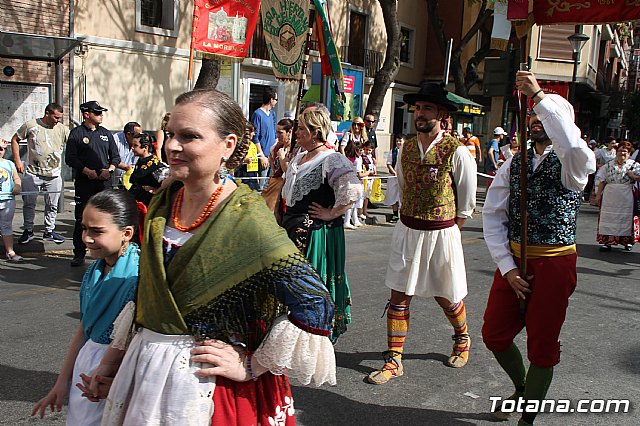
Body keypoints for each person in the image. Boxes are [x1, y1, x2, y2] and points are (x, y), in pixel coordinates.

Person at [84, 90, 336, 425]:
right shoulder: (163, 204)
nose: (172, 146)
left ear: (228, 145)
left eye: (189, 137)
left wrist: (251, 365)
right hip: (143, 369)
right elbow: (148, 295)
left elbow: (315, 303)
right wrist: (112, 365)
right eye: (171, 134)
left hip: (203, 385)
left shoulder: (248, 219)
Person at [482, 71, 596, 426]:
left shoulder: (573, 165)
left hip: (555, 264)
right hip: (516, 262)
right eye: (531, 115)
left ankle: (527, 418)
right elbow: (493, 214)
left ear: (560, 121)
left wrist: (541, 97)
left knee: (542, 346)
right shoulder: (513, 163)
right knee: (494, 334)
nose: (534, 120)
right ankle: (522, 387)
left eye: (543, 116)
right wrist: (508, 267)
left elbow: (574, 145)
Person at [367, 82, 477, 385]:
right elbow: (401, 186)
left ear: (442, 114)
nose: (420, 113)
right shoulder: (406, 148)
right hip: (409, 230)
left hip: (441, 233)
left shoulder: (457, 151)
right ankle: (394, 360)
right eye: (418, 108)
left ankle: (462, 338)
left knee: (447, 295)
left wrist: (448, 231)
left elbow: (466, 202)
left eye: (427, 108)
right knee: (399, 296)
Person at [31, 189, 140, 425]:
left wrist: (114, 378)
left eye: (97, 231)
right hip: (86, 365)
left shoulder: (139, 276)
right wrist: (62, 382)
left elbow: (131, 339)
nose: (87, 238)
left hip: (114, 373)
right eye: (84, 228)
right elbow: (84, 329)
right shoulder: (95, 270)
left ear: (126, 233)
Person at [281, 108, 362, 340]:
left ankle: (317, 332)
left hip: (317, 234)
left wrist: (331, 213)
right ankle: (298, 329)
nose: (296, 132)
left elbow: (353, 188)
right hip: (293, 229)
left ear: (316, 132)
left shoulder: (331, 158)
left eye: (301, 129)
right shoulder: (300, 157)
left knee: (313, 283)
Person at [65, 101, 120, 267]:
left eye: (101, 112)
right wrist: (86, 170)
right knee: (82, 218)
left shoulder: (106, 134)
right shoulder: (76, 133)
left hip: (104, 182)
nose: (100, 115)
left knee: (107, 217)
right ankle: (79, 253)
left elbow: (115, 157)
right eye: (97, 112)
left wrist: (109, 170)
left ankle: (107, 251)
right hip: (85, 183)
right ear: (86, 114)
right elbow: (70, 158)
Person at [11, 102, 69, 245]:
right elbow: (15, 139)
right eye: (55, 117)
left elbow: (75, 143)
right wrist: (17, 161)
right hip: (33, 172)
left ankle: (49, 231)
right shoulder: (31, 125)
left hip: (54, 173)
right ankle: (28, 231)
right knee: (29, 203)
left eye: (60, 118)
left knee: (52, 204)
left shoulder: (62, 129)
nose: (58, 121)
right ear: (47, 114)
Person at [594, 141, 640, 251]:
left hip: (626, 195)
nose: (622, 153)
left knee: (626, 218)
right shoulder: (608, 165)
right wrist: (598, 195)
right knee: (609, 217)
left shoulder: (634, 165)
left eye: (625, 151)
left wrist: (633, 176)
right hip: (610, 195)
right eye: (620, 151)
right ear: (616, 152)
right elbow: (602, 180)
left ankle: (627, 242)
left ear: (629, 153)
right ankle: (607, 241)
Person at [128, 133, 169, 206]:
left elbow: (168, 185)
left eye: (135, 145)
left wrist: (156, 191)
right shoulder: (140, 161)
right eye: (132, 145)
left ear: (145, 148)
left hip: (147, 204)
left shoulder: (155, 165)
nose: (132, 148)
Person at [262, 118, 293, 215]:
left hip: (287, 189)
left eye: (280, 133)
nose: (277, 136)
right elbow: (273, 168)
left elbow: (289, 173)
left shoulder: (295, 150)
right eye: (277, 132)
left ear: (289, 132)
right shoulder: (275, 148)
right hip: (276, 185)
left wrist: (282, 158)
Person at [251, 88, 278, 191]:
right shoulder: (258, 114)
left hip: (272, 155)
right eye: (276, 99)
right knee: (261, 187)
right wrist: (261, 155)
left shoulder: (272, 114)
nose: (276, 101)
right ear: (271, 100)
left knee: (269, 186)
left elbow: (274, 134)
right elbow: (255, 136)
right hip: (263, 155)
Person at [0, 138, 22, 261]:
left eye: (2, 149)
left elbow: (16, 178)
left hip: (7, 199)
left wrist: (17, 186)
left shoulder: (9, 164)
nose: (0, 151)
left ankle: (10, 251)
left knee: (6, 225)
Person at [343, 142, 367, 229]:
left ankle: (355, 219)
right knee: (352, 202)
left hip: (350, 181)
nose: (362, 151)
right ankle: (347, 221)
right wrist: (368, 173)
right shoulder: (357, 160)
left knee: (354, 202)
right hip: (354, 182)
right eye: (361, 150)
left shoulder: (349, 158)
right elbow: (359, 174)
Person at [112, 122, 142, 186]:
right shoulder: (115, 140)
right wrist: (124, 167)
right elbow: (111, 158)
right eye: (137, 135)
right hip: (114, 178)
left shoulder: (140, 141)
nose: (140, 137)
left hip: (130, 180)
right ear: (128, 134)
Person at [234, 122, 260, 191]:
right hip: (242, 173)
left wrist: (256, 176)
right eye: (252, 131)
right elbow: (234, 160)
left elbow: (255, 161)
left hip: (252, 174)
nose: (254, 134)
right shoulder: (239, 146)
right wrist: (244, 161)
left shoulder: (253, 145)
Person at [385, 134, 405, 223]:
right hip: (393, 177)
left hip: (403, 177)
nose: (398, 143)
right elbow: (389, 164)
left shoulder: (406, 152)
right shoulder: (392, 151)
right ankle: (395, 214)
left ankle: (402, 215)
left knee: (402, 196)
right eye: (397, 141)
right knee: (393, 195)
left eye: (400, 141)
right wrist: (393, 172)